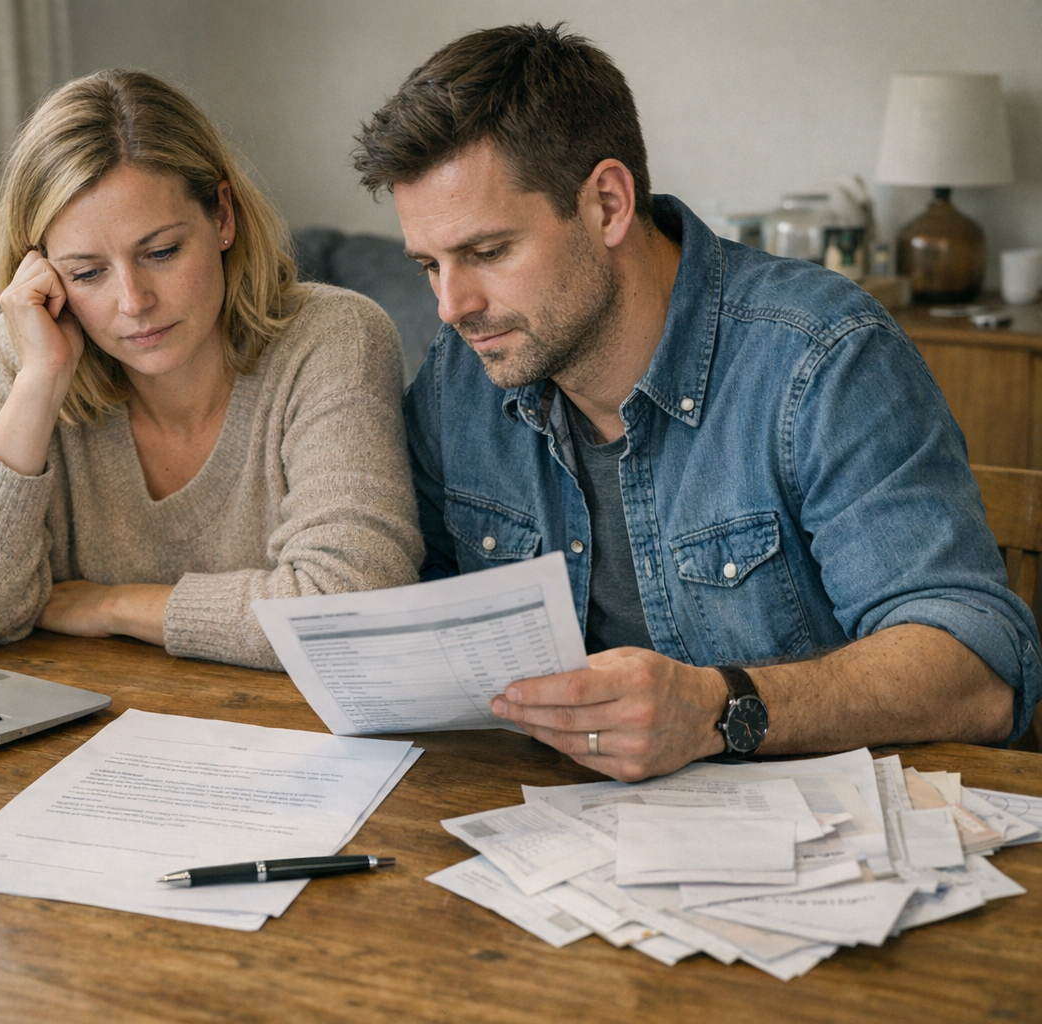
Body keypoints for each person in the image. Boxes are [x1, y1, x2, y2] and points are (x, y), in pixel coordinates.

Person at [352, 24, 1040, 781]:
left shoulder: (821, 358)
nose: (452, 306)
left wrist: (716, 709)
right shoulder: (466, 373)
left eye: (487, 253)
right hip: (552, 840)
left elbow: (980, 671)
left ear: (608, 204)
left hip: (819, 842)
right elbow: (402, 593)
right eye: (429, 264)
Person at [0, 70, 422, 670]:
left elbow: (355, 606)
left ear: (222, 215)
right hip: (87, 741)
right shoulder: (25, 353)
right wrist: (38, 385)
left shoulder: (333, 337)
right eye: (87, 273)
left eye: (161, 252)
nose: (134, 301)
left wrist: (117, 606)